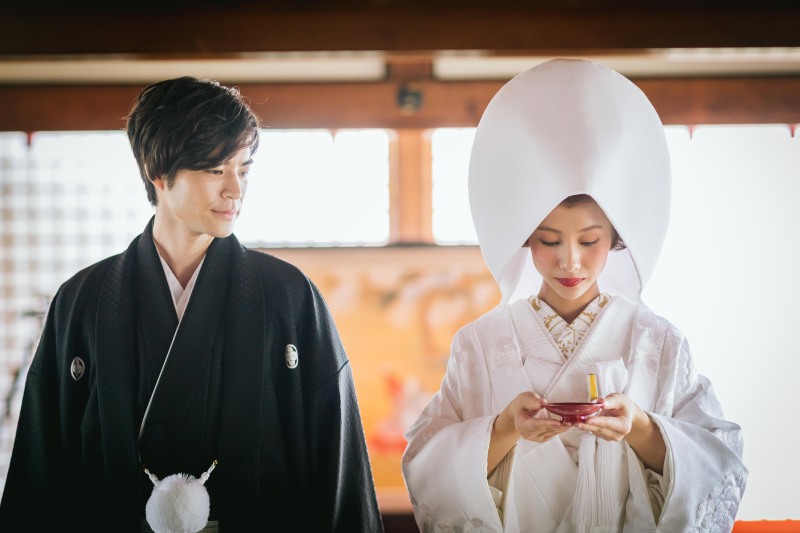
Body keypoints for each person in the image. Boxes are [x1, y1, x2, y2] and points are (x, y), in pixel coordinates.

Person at [0, 76, 384, 532]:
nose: (235, 191)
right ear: (156, 171)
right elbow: (42, 469)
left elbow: (338, 469)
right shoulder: (83, 300)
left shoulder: (289, 296)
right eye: (215, 170)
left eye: (243, 169)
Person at [401, 59, 747, 532]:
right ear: (524, 237)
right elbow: (426, 465)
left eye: (589, 241)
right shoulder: (479, 345)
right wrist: (503, 429)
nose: (569, 262)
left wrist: (642, 428)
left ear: (618, 238)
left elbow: (721, 465)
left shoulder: (658, 343)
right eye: (548, 240)